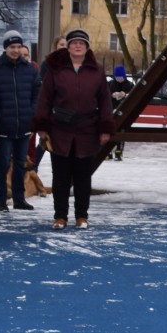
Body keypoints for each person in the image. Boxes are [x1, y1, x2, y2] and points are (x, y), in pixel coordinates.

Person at [32, 28, 113, 230]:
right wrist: (42, 126)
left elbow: (105, 100)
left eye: (81, 43)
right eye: (74, 43)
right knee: (60, 177)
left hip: (87, 130)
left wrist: (105, 128)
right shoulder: (55, 69)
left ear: (87, 47)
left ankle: (81, 216)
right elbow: (44, 98)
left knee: (83, 177)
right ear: (68, 47)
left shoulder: (96, 70)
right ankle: (60, 216)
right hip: (60, 129)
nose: (78, 46)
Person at [0, 29, 42, 212]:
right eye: (12, 47)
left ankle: (19, 199)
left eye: (18, 46)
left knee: (20, 164)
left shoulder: (29, 70)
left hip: (24, 125)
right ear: (5, 48)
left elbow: (37, 94)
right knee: (2, 165)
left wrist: (31, 113)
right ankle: (0, 200)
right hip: (4, 126)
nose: (15, 50)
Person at [108, 64, 134, 161]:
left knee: (121, 131)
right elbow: (103, 94)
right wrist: (112, 95)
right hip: (111, 110)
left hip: (123, 112)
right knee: (109, 130)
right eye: (117, 77)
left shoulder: (129, 85)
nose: (119, 79)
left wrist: (125, 95)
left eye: (121, 78)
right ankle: (108, 152)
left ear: (124, 76)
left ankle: (119, 152)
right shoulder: (110, 84)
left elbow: (134, 95)